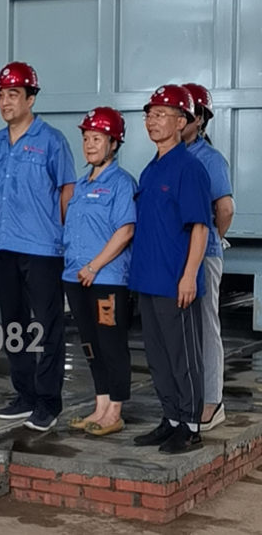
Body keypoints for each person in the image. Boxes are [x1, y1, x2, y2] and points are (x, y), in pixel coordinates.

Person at [0, 61, 76, 431]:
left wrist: (63, 237)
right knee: (14, 324)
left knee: (48, 327)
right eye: (1, 95)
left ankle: (48, 401)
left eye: (13, 94)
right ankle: (24, 395)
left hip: (42, 248)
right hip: (5, 245)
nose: (5, 102)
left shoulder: (52, 140)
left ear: (31, 98)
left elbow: (67, 190)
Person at [129, 84, 212, 454]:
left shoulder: (189, 168)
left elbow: (200, 227)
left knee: (183, 357)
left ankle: (191, 426)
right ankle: (172, 419)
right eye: (149, 114)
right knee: (158, 357)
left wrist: (190, 274)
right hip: (148, 279)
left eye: (161, 114)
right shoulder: (151, 170)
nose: (152, 121)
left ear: (181, 122)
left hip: (176, 281)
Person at [62, 108, 136, 436]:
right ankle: (100, 405)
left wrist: (94, 266)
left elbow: (125, 230)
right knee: (90, 344)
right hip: (76, 278)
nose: (89, 145)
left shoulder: (121, 183)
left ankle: (115, 411)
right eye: (86, 138)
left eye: (97, 138)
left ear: (114, 143)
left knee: (111, 344)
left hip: (106, 279)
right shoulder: (80, 185)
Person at [181, 83, 234, 431]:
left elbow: (225, 209)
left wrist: (214, 237)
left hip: (203, 254)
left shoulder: (210, 160)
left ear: (199, 119)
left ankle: (212, 402)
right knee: (182, 330)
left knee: (205, 326)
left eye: (183, 114)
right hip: (175, 254)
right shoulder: (170, 156)